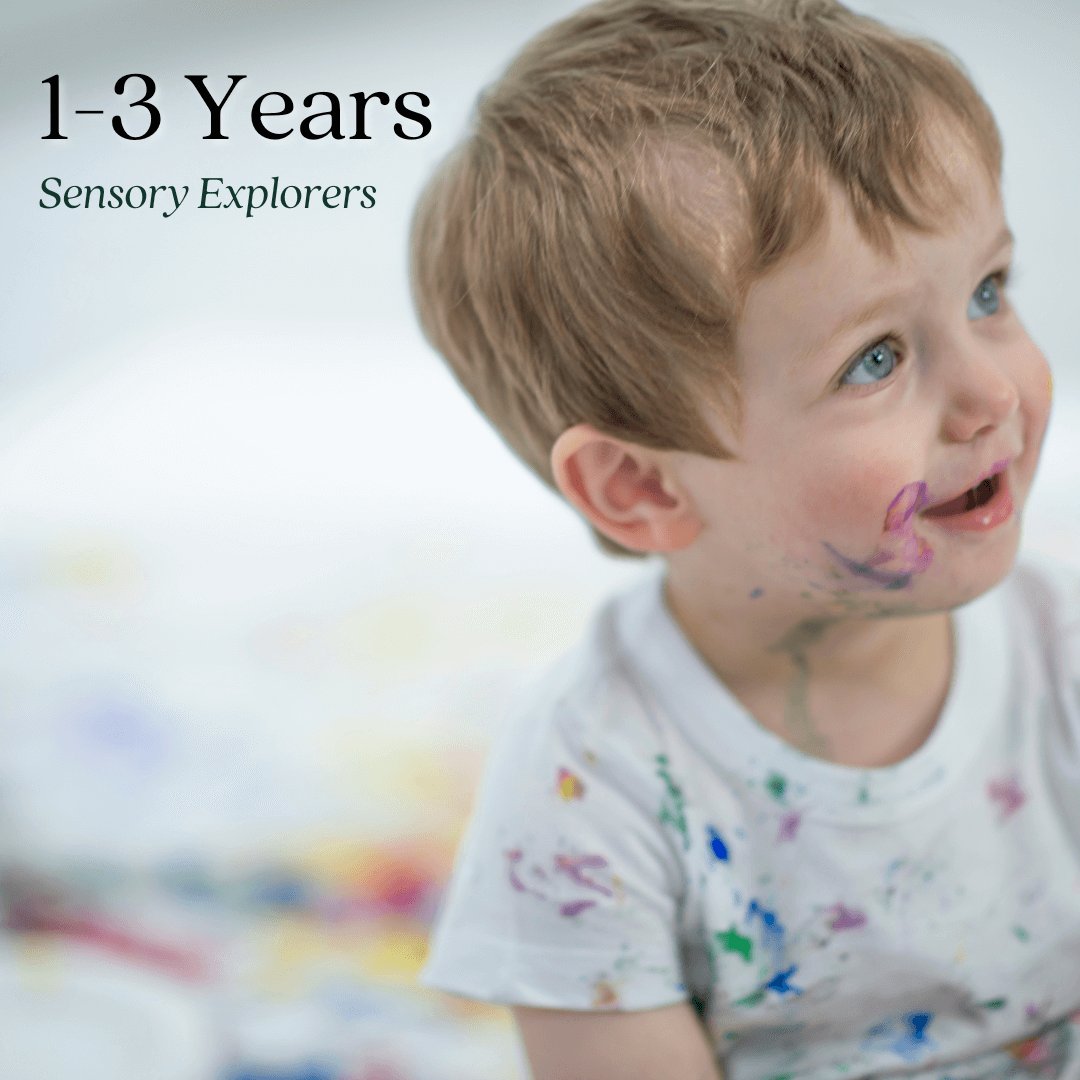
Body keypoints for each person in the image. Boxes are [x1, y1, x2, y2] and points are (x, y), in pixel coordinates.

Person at [411, 1, 1080, 1076]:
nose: (993, 390)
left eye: (989, 292)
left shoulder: (1061, 655)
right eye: (876, 359)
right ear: (638, 485)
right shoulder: (590, 792)